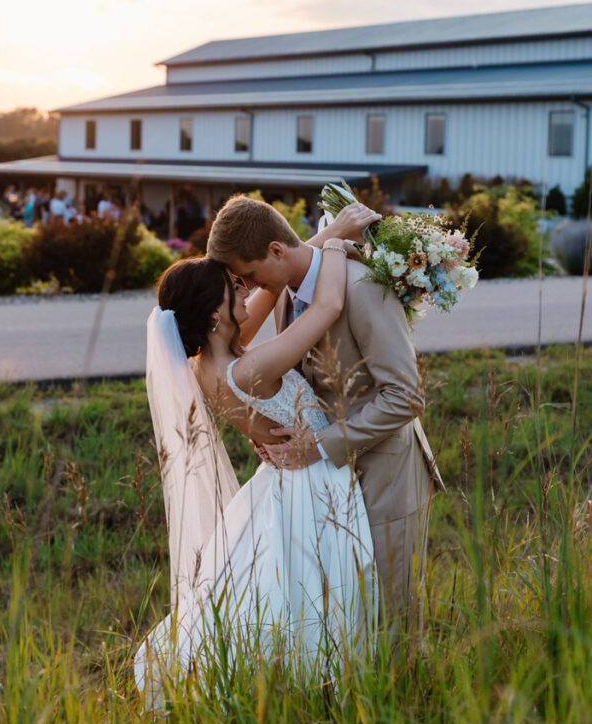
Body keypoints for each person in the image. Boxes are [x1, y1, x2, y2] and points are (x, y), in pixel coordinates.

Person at [134, 203, 380, 694]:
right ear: (214, 313)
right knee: (324, 589)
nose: (248, 290)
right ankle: (322, 684)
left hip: (282, 479)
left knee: (283, 591)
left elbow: (272, 282)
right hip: (312, 477)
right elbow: (328, 305)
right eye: (235, 290)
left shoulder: (210, 359)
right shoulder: (249, 368)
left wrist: (319, 235)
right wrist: (334, 242)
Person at [207, 194, 444, 640]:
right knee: (345, 609)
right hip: (326, 486)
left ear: (276, 251)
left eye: (251, 275)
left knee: (393, 616)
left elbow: (406, 395)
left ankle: (405, 703)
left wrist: (319, 444)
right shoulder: (282, 296)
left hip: (385, 473)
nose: (250, 288)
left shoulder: (360, 287)